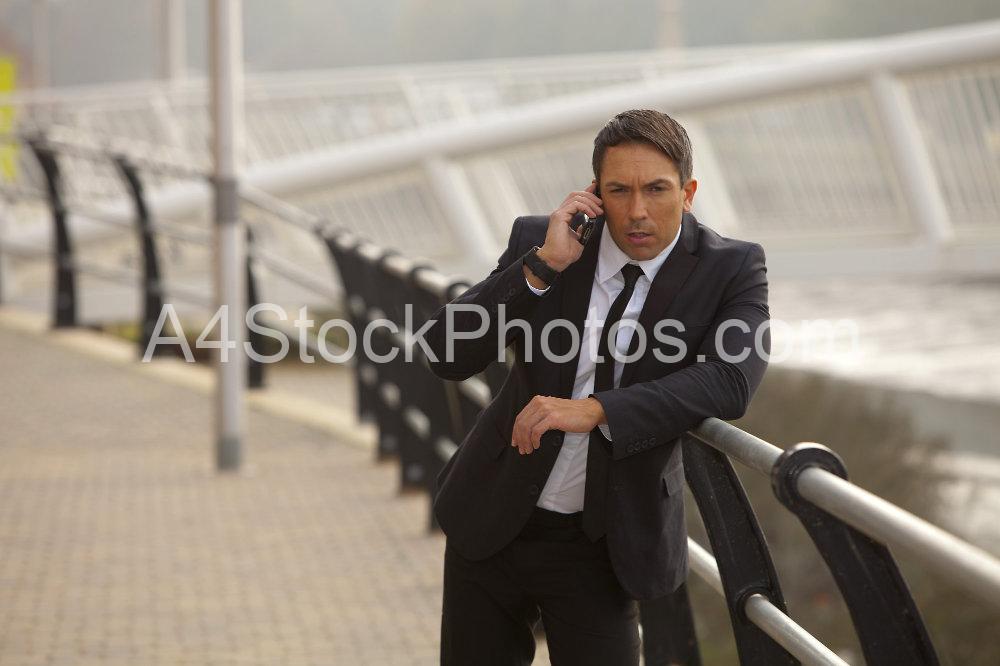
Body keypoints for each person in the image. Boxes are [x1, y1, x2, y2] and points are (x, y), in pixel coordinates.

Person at [424, 109, 770, 665]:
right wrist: (543, 267)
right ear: (595, 193)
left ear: (689, 192)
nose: (636, 212)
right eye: (619, 191)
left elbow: (732, 379)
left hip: (605, 545)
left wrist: (597, 410)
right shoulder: (542, 241)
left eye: (657, 189)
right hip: (492, 518)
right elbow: (447, 355)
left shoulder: (730, 268)